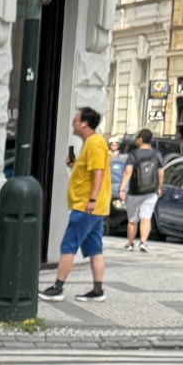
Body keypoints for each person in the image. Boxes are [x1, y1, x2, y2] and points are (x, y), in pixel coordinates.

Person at [45, 107, 111, 301]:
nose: (73, 124)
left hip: (86, 206)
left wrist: (92, 199)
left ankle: (58, 287)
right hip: (94, 207)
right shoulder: (90, 143)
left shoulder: (94, 144)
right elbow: (90, 172)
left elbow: (98, 172)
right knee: (94, 248)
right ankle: (97, 290)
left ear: (84, 124)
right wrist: (74, 166)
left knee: (69, 245)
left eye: (75, 120)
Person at [123, 128, 164, 250]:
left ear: (140, 140)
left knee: (132, 219)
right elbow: (161, 173)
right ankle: (143, 242)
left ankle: (130, 243)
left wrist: (122, 188)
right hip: (151, 191)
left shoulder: (133, 154)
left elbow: (128, 172)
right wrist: (159, 187)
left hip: (135, 191)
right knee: (146, 217)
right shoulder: (156, 154)